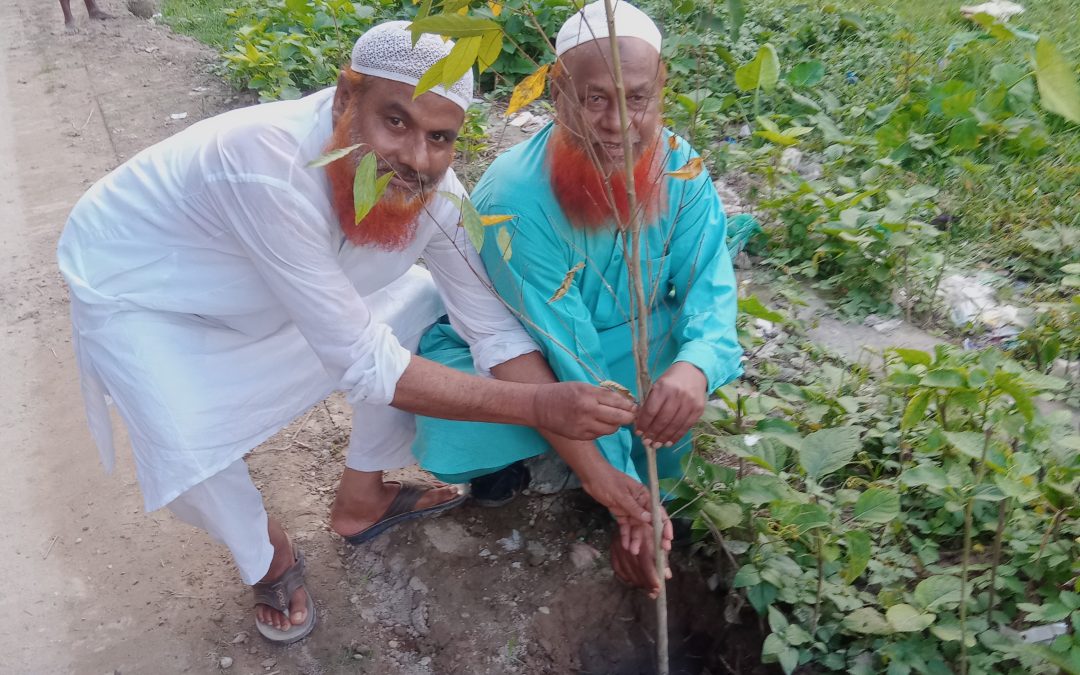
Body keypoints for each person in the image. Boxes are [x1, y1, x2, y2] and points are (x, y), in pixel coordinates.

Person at [56, 21, 643, 644]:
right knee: (182, 440)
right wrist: (541, 403)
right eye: (396, 122)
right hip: (142, 290)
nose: (417, 158)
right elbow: (366, 365)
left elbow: (495, 332)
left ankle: (362, 500)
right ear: (345, 99)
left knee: (416, 297)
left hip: (269, 294)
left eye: (439, 137)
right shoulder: (263, 162)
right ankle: (269, 556)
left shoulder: (440, 194)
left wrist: (602, 478)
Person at [412, 1, 742, 597]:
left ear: (659, 89)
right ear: (558, 92)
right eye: (595, 99)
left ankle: (635, 487)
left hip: (642, 341)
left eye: (636, 97)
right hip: (546, 361)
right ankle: (585, 476)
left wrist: (697, 366)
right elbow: (567, 352)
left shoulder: (679, 168)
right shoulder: (514, 198)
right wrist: (623, 499)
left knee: (679, 381)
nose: (618, 122)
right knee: (452, 418)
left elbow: (708, 285)